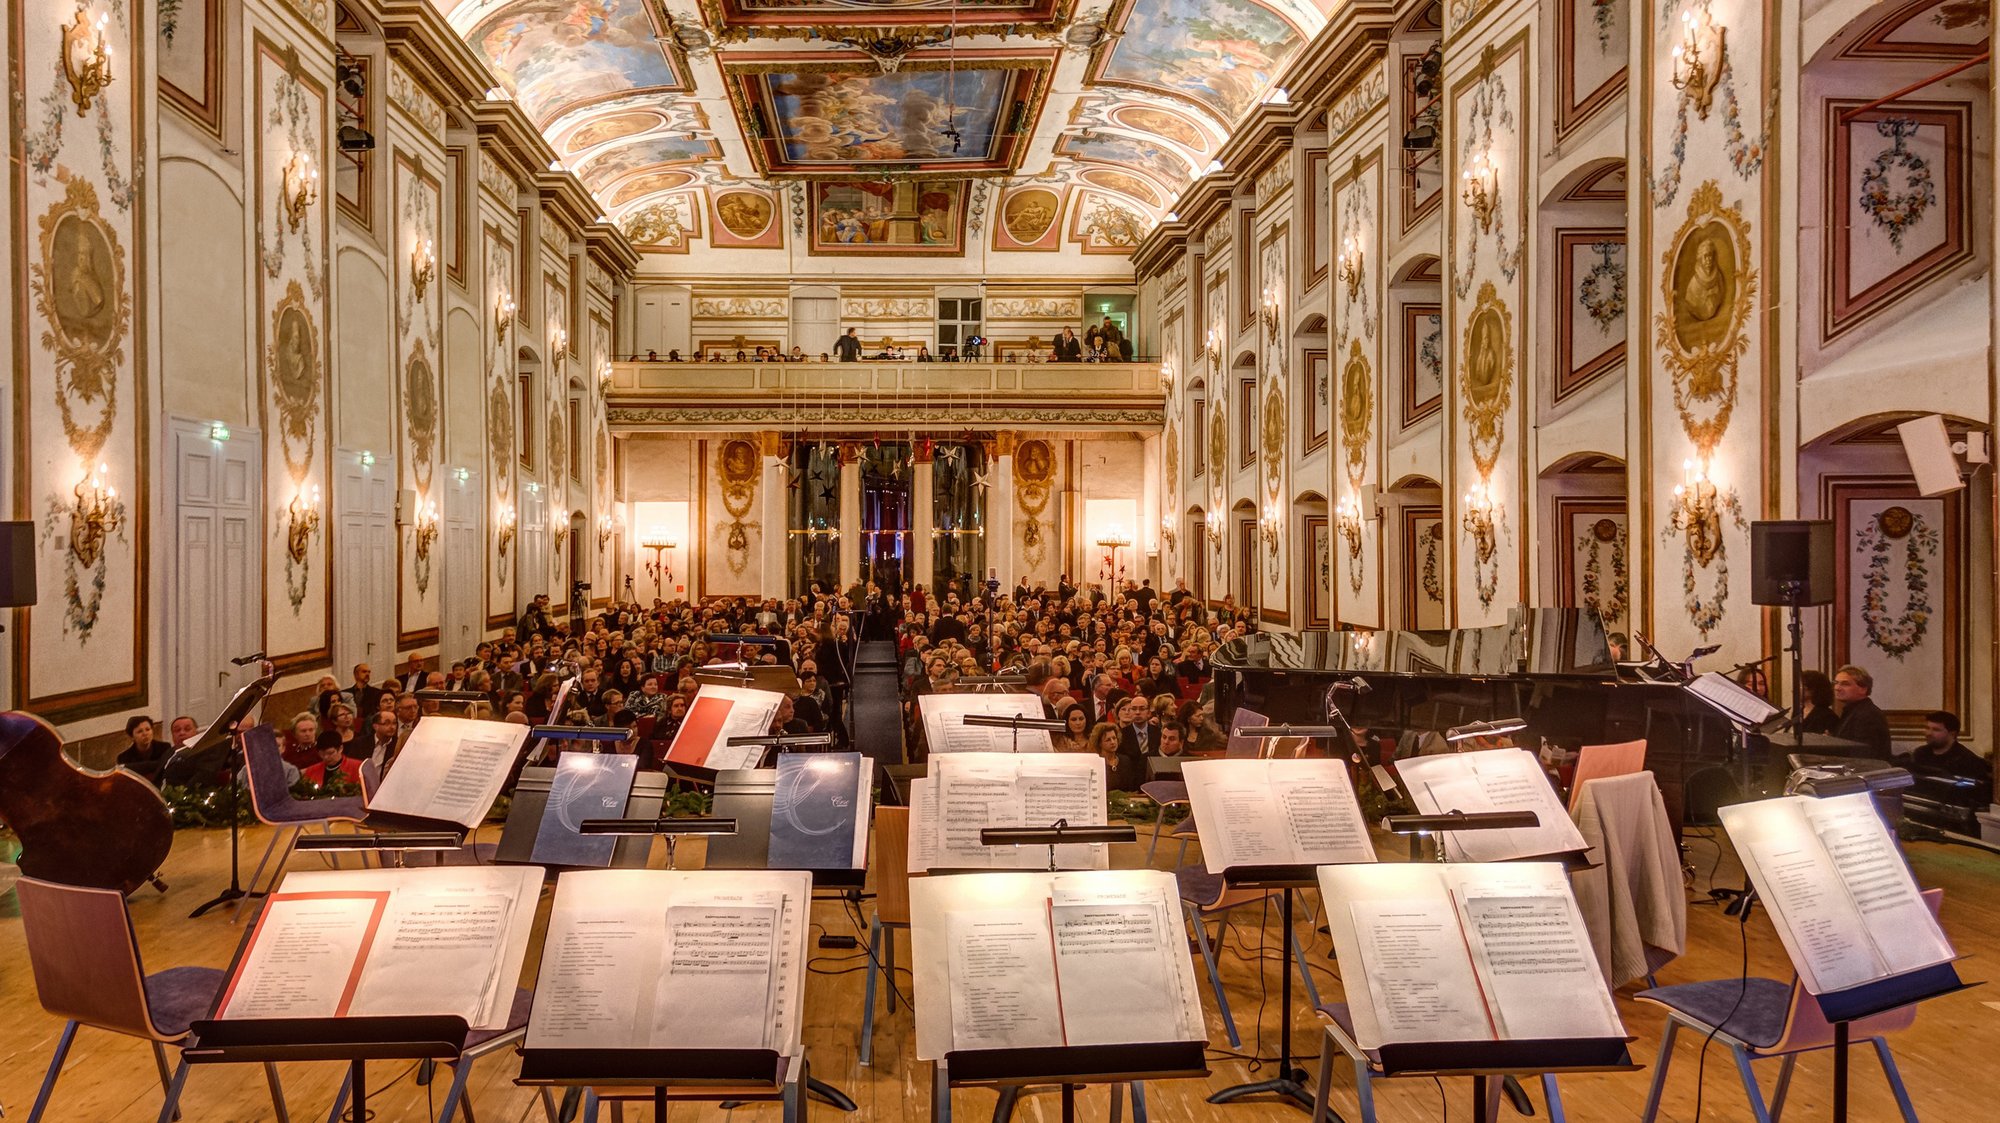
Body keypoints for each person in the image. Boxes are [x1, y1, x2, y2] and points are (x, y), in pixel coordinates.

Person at [1898, 711, 1987, 780]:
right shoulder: (1920, 753)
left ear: (1952, 734)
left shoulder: (1967, 760)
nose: (1928, 733)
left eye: (1936, 730)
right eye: (1927, 728)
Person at [1832, 664, 1892, 758]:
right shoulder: (1854, 710)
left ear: (1863, 689)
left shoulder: (1868, 715)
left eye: (1845, 684)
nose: (1837, 688)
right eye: (1836, 683)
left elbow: (1863, 754)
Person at [117, 716, 171, 784]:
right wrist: (156, 764)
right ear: (132, 736)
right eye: (139, 731)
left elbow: (167, 767)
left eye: (148, 729)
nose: (145, 734)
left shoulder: (164, 747)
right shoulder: (124, 757)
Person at [1797, 670, 1840, 734]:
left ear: (1812, 689)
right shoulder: (1798, 712)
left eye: (1800, 685)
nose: (1795, 689)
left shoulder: (1828, 716)